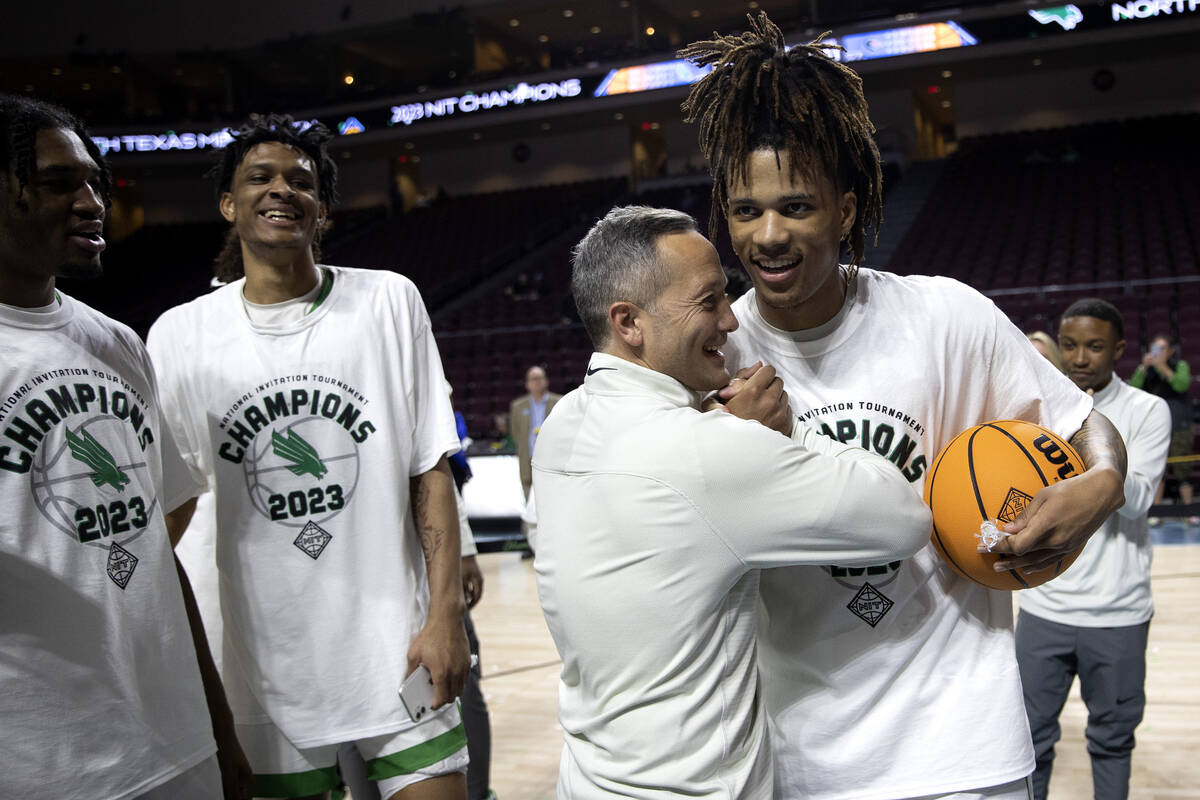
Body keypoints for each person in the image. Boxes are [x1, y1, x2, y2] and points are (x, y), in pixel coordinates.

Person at [680, 14, 1128, 799]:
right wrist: (725, 457)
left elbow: (1083, 423)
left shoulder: (944, 316)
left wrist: (1102, 484)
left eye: (797, 207)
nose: (769, 235)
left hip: (961, 751)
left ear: (847, 212)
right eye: (747, 211)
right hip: (795, 758)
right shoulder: (710, 355)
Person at [532, 205, 933, 797]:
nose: (731, 320)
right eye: (709, 300)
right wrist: (785, 432)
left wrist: (721, 428)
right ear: (629, 322)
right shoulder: (708, 452)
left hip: (590, 777)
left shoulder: (566, 421)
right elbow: (903, 521)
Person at [146, 113, 470, 800]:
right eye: (260, 177)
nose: (282, 189)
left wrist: (445, 617)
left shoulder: (387, 300)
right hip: (261, 668)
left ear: (322, 208)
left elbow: (428, 469)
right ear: (229, 205)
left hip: (396, 648)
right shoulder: (179, 335)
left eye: (302, 180)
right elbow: (169, 511)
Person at [0, 93, 250, 799]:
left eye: (94, 184)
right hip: (43, 766)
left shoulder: (115, 344)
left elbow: (153, 552)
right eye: (57, 184)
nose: (90, 202)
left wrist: (220, 727)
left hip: (173, 743)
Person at [1017, 298, 1170, 800]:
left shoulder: (1148, 409)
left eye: (1095, 346)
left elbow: (1138, 498)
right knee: (1029, 743)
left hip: (1117, 612)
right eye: (1070, 345)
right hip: (1044, 607)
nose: (1080, 357)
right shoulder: (1036, 410)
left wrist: (1093, 435)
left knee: (1111, 742)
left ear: (1120, 350)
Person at [1130, 332, 1193, 507]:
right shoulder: (1147, 369)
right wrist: (1143, 368)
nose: (1158, 352)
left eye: (1163, 348)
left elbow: (1182, 384)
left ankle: (1189, 511)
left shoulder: (1179, 365)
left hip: (1179, 425)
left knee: (1183, 470)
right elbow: (1132, 390)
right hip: (1155, 426)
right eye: (1155, 348)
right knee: (1157, 471)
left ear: (1171, 351)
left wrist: (1163, 367)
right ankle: (1156, 512)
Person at [509, 365, 559, 500]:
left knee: (553, 499)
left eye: (539, 378)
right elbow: (515, 432)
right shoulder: (518, 406)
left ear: (546, 381)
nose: (537, 381)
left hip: (552, 460)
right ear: (527, 384)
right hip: (528, 460)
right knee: (530, 501)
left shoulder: (559, 402)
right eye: (533, 379)